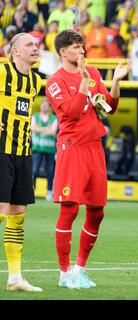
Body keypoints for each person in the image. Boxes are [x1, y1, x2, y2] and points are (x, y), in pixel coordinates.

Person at [45, 30, 130, 289]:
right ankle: (64, 272)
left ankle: (80, 270)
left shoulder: (93, 73)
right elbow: (70, 113)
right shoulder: (54, 82)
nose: (82, 51)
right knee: (69, 209)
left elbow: (109, 108)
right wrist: (82, 82)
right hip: (72, 148)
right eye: (76, 47)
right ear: (63, 52)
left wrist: (115, 82)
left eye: (82, 47)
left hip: (95, 147)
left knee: (97, 212)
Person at [0, 32, 43, 292]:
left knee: (17, 215)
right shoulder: (3, 72)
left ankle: (15, 277)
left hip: (24, 152)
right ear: (16, 51)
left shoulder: (36, 81)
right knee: (2, 211)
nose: (35, 48)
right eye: (29, 45)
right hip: (1, 150)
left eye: (36, 45)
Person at [31, 98, 58, 202]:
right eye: (43, 105)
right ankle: (32, 191)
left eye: (46, 105)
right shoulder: (35, 116)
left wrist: (40, 129)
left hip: (50, 149)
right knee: (34, 170)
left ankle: (49, 192)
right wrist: (47, 129)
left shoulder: (54, 118)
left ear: (50, 107)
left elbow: (53, 132)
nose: (44, 107)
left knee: (50, 171)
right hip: (37, 148)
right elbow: (33, 128)